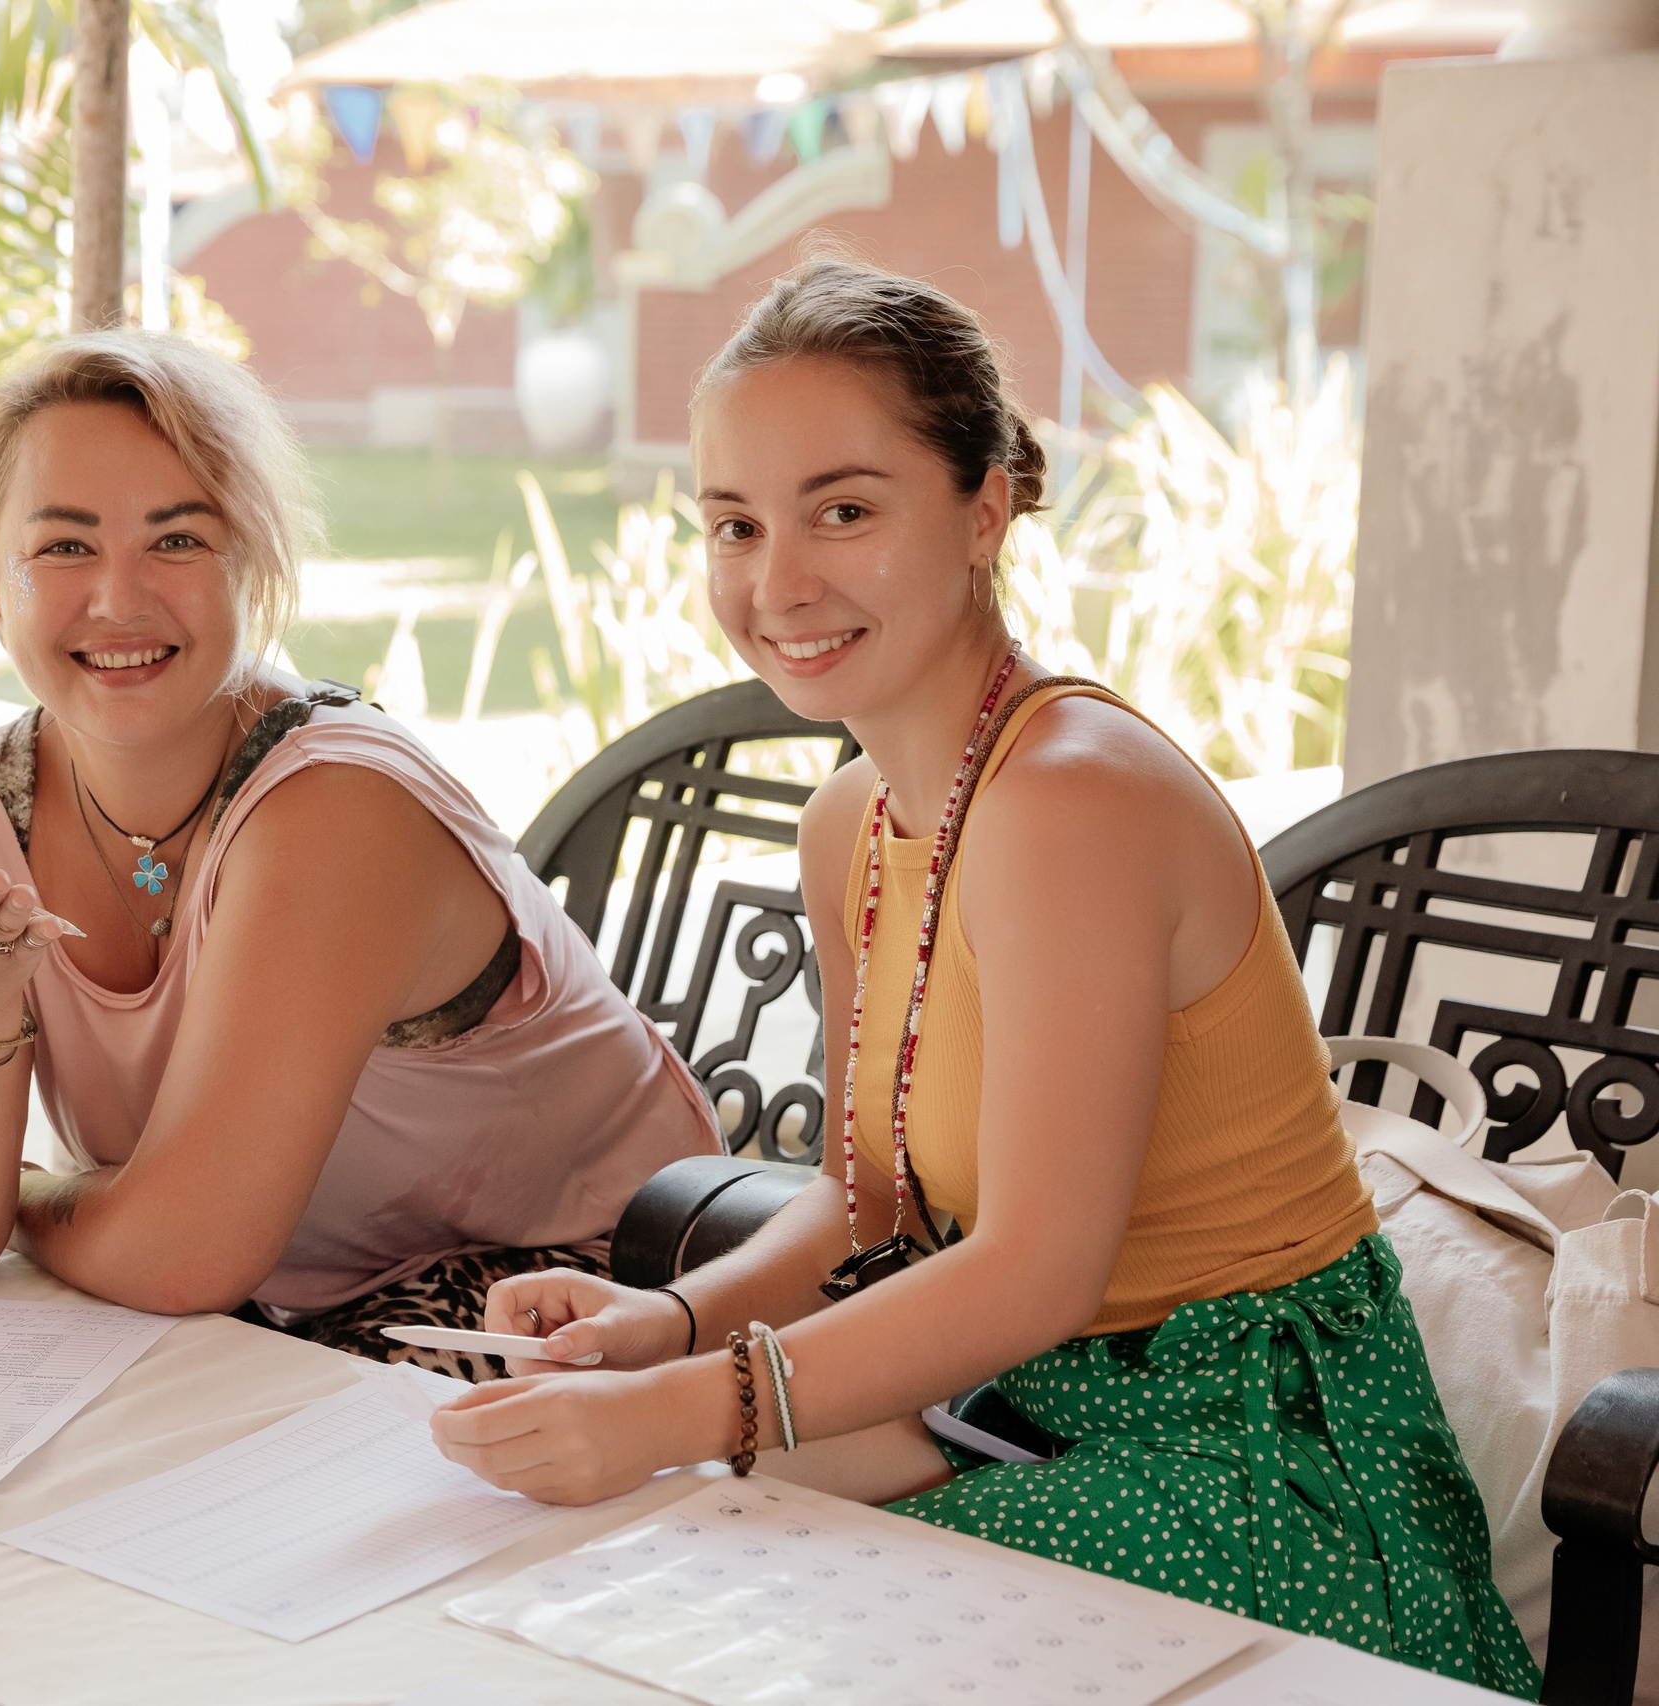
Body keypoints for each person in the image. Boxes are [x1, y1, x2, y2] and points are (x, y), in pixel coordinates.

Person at [426, 255, 1537, 1693]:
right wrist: (670, 1322)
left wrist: (680, 1408)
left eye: (844, 509)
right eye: (734, 523)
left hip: (1258, 1461)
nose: (776, 582)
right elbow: (861, 1198)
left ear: (985, 507)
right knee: (592, 1577)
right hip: (1028, 1404)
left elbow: (1032, 1267)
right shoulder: (855, 826)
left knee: (727, 1603)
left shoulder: (1072, 801)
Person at [0, 329, 719, 1379]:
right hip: (286, 1321)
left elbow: (179, 1254)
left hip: (584, 1297)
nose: (118, 599)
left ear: (249, 563)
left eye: (177, 541)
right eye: (65, 547)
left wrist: (20, 1194)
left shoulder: (334, 808)